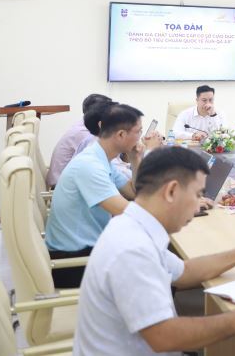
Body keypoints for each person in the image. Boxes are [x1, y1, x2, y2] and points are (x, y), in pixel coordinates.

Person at [73, 147, 235, 355]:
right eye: (197, 195)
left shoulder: (134, 226)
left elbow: (183, 272)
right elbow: (164, 337)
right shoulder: (132, 249)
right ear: (172, 191)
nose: (198, 205)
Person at [45, 103, 160, 287]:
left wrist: (135, 159)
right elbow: (128, 213)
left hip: (88, 249)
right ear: (121, 135)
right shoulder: (90, 166)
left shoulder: (102, 158)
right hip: (72, 262)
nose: (142, 137)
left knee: (156, 256)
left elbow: (134, 192)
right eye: (138, 131)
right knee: (157, 268)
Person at [47, 93, 112, 187]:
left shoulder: (84, 126)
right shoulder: (85, 133)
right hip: (63, 186)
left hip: (66, 183)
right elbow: (103, 165)